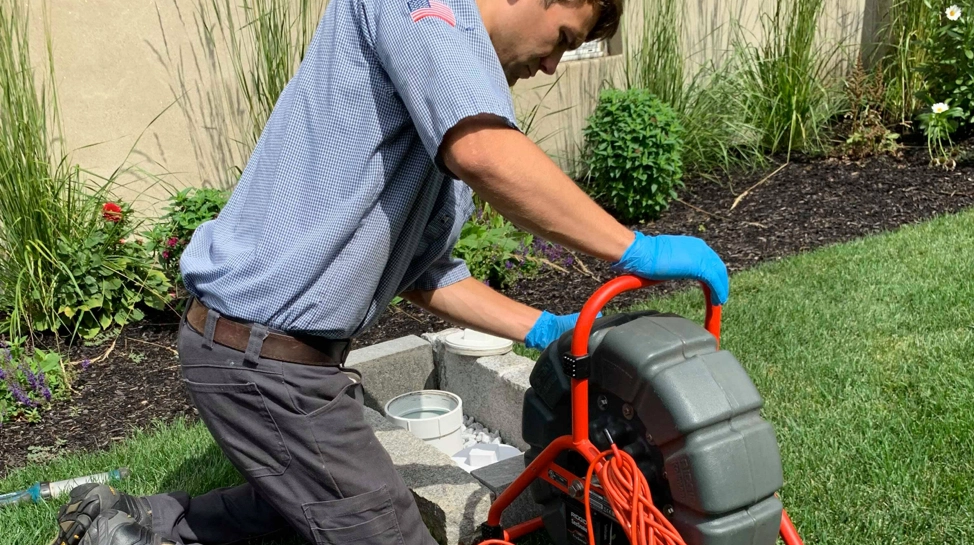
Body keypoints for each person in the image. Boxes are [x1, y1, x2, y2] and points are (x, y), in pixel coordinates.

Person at [51, 0, 728, 542]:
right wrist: (633, 248)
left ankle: (128, 524)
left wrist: (549, 326)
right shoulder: (422, 12)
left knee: (311, 506)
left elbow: (428, 273)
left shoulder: (451, 88)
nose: (552, 65)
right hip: (261, 360)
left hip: (269, 356)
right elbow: (488, 155)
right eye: (561, 37)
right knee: (384, 526)